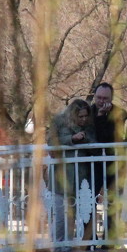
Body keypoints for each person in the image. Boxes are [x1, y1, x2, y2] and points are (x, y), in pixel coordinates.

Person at [89, 82, 127, 238]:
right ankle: (89, 239)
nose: (101, 101)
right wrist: (100, 117)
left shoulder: (119, 113)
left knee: (114, 202)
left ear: (111, 98)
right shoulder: (87, 112)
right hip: (92, 164)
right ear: (94, 96)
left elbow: (124, 137)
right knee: (89, 201)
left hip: (114, 164)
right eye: (99, 97)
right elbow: (93, 137)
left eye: (105, 98)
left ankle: (109, 239)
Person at [47, 99, 96, 242]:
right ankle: (56, 246)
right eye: (80, 116)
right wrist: (72, 139)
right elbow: (51, 141)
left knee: (71, 216)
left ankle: (66, 246)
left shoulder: (88, 125)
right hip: (60, 176)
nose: (84, 119)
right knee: (60, 216)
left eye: (85, 116)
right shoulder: (58, 121)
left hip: (79, 176)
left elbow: (94, 142)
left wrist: (83, 139)